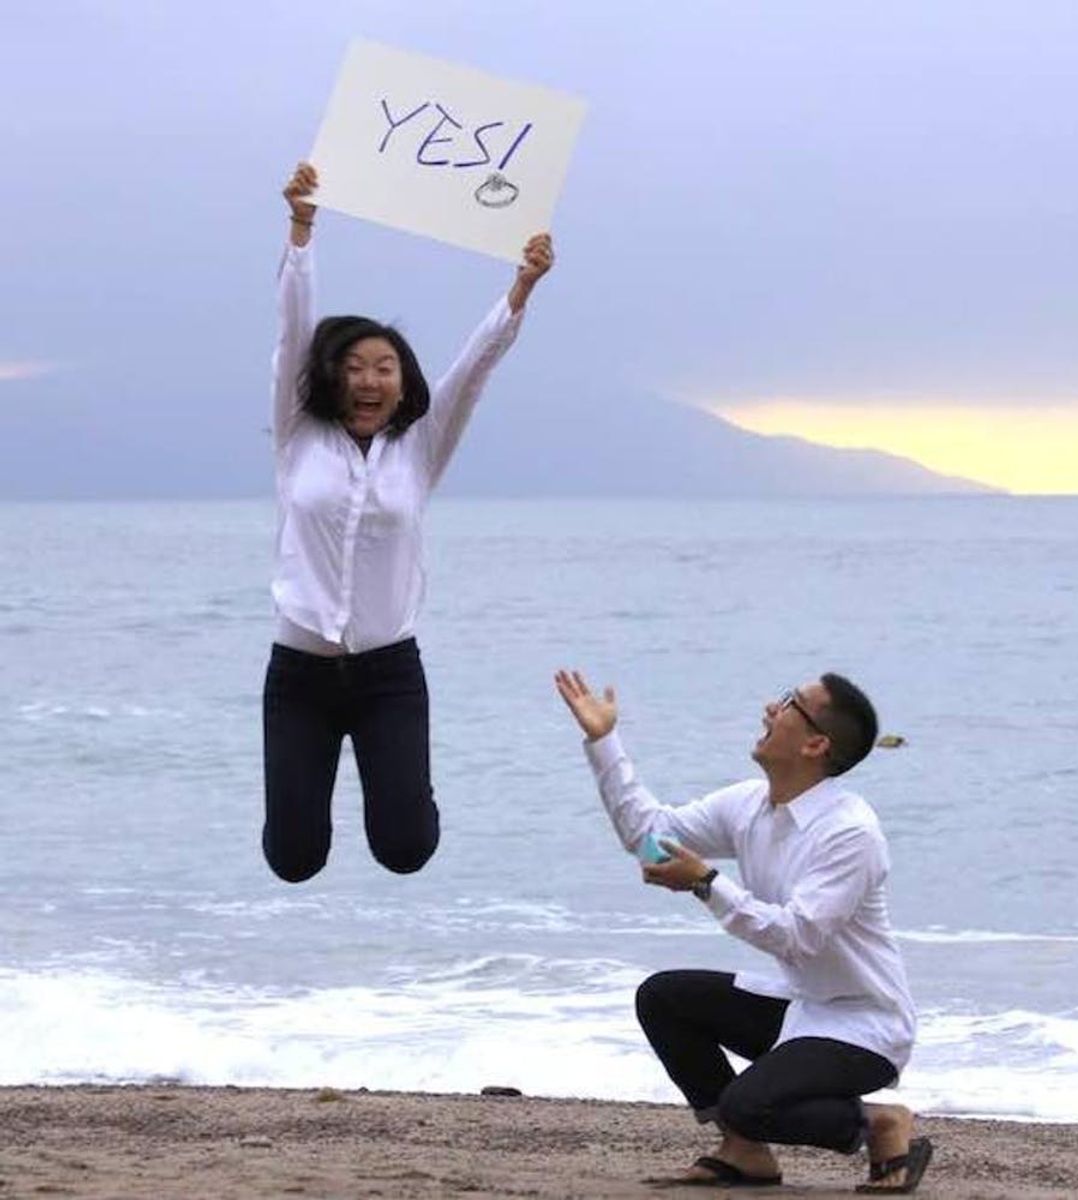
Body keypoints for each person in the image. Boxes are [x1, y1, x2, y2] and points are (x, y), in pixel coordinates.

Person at [262, 161, 553, 882]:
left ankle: (406, 784)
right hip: (299, 673)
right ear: (330, 375)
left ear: (403, 380)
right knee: (294, 860)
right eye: (354, 366)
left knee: (406, 849)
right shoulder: (298, 431)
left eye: (384, 366)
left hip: (390, 672)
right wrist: (302, 226)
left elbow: (476, 366)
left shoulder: (420, 447)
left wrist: (521, 287)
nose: (368, 379)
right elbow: (293, 326)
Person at [554, 668, 931, 1194]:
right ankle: (745, 1151)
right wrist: (603, 740)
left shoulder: (850, 832)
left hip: (864, 1025)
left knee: (749, 1104)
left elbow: (797, 936)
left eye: (788, 704)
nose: (770, 710)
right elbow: (648, 837)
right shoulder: (750, 804)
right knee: (663, 998)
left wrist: (707, 883)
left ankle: (879, 1123)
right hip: (801, 1006)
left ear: (816, 744)